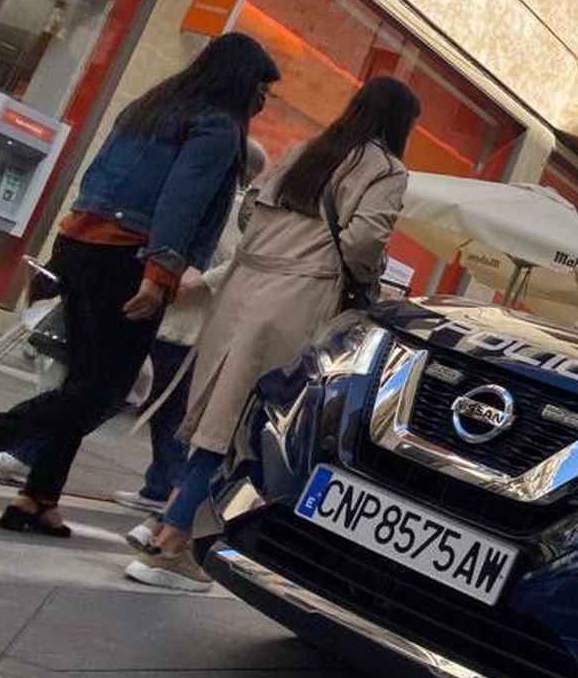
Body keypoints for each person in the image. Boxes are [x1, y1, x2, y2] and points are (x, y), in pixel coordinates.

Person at [0, 34, 279, 532]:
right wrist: (160, 274)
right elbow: (181, 203)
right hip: (132, 260)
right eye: (262, 87)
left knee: (83, 379)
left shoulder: (151, 106)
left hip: (82, 243)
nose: (263, 100)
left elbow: (100, 175)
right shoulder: (217, 126)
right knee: (105, 390)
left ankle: (38, 498)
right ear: (240, 80)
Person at [125, 76, 419, 591]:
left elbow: (247, 211)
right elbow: (365, 240)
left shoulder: (308, 148)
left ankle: (162, 520)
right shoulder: (385, 169)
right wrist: (365, 279)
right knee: (248, 421)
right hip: (297, 295)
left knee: (215, 409)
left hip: (245, 285)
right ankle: (174, 545)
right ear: (400, 124)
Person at [0, 141, 268, 510]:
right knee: (163, 408)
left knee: (104, 394)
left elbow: (237, 258)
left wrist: (198, 279)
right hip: (180, 323)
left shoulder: (226, 202)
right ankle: (163, 486)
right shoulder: (222, 200)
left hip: (172, 320)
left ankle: (26, 453)